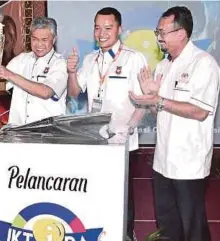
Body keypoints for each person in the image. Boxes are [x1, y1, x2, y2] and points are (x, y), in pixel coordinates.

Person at [129, 6, 220, 241]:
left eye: (163, 31)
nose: (159, 37)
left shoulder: (203, 63)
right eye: (157, 32)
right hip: (163, 161)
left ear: (181, 33)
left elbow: (200, 111)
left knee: (193, 226)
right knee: (167, 225)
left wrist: (158, 99)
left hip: (188, 163)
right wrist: (150, 99)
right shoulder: (164, 65)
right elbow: (159, 109)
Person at [66, 7, 147, 241]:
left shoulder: (133, 58)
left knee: (122, 195)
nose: (101, 33)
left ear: (119, 29)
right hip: (95, 139)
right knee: (97, 191)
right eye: (97, 27)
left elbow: (144, 101)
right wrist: (72, 72)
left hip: (122, 141)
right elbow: (74, 93)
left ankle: (125, 235)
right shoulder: (90, 59)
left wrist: (128, 128)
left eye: (108, 28)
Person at [0, 16, 68, 125]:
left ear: (54, 39)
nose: (39, 45)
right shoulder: (21, 59)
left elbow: (45, 92)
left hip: (48, 132)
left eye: (44, 40)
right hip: (18, 131)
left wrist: (11, 75)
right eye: (34, 39)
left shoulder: (60, 64)